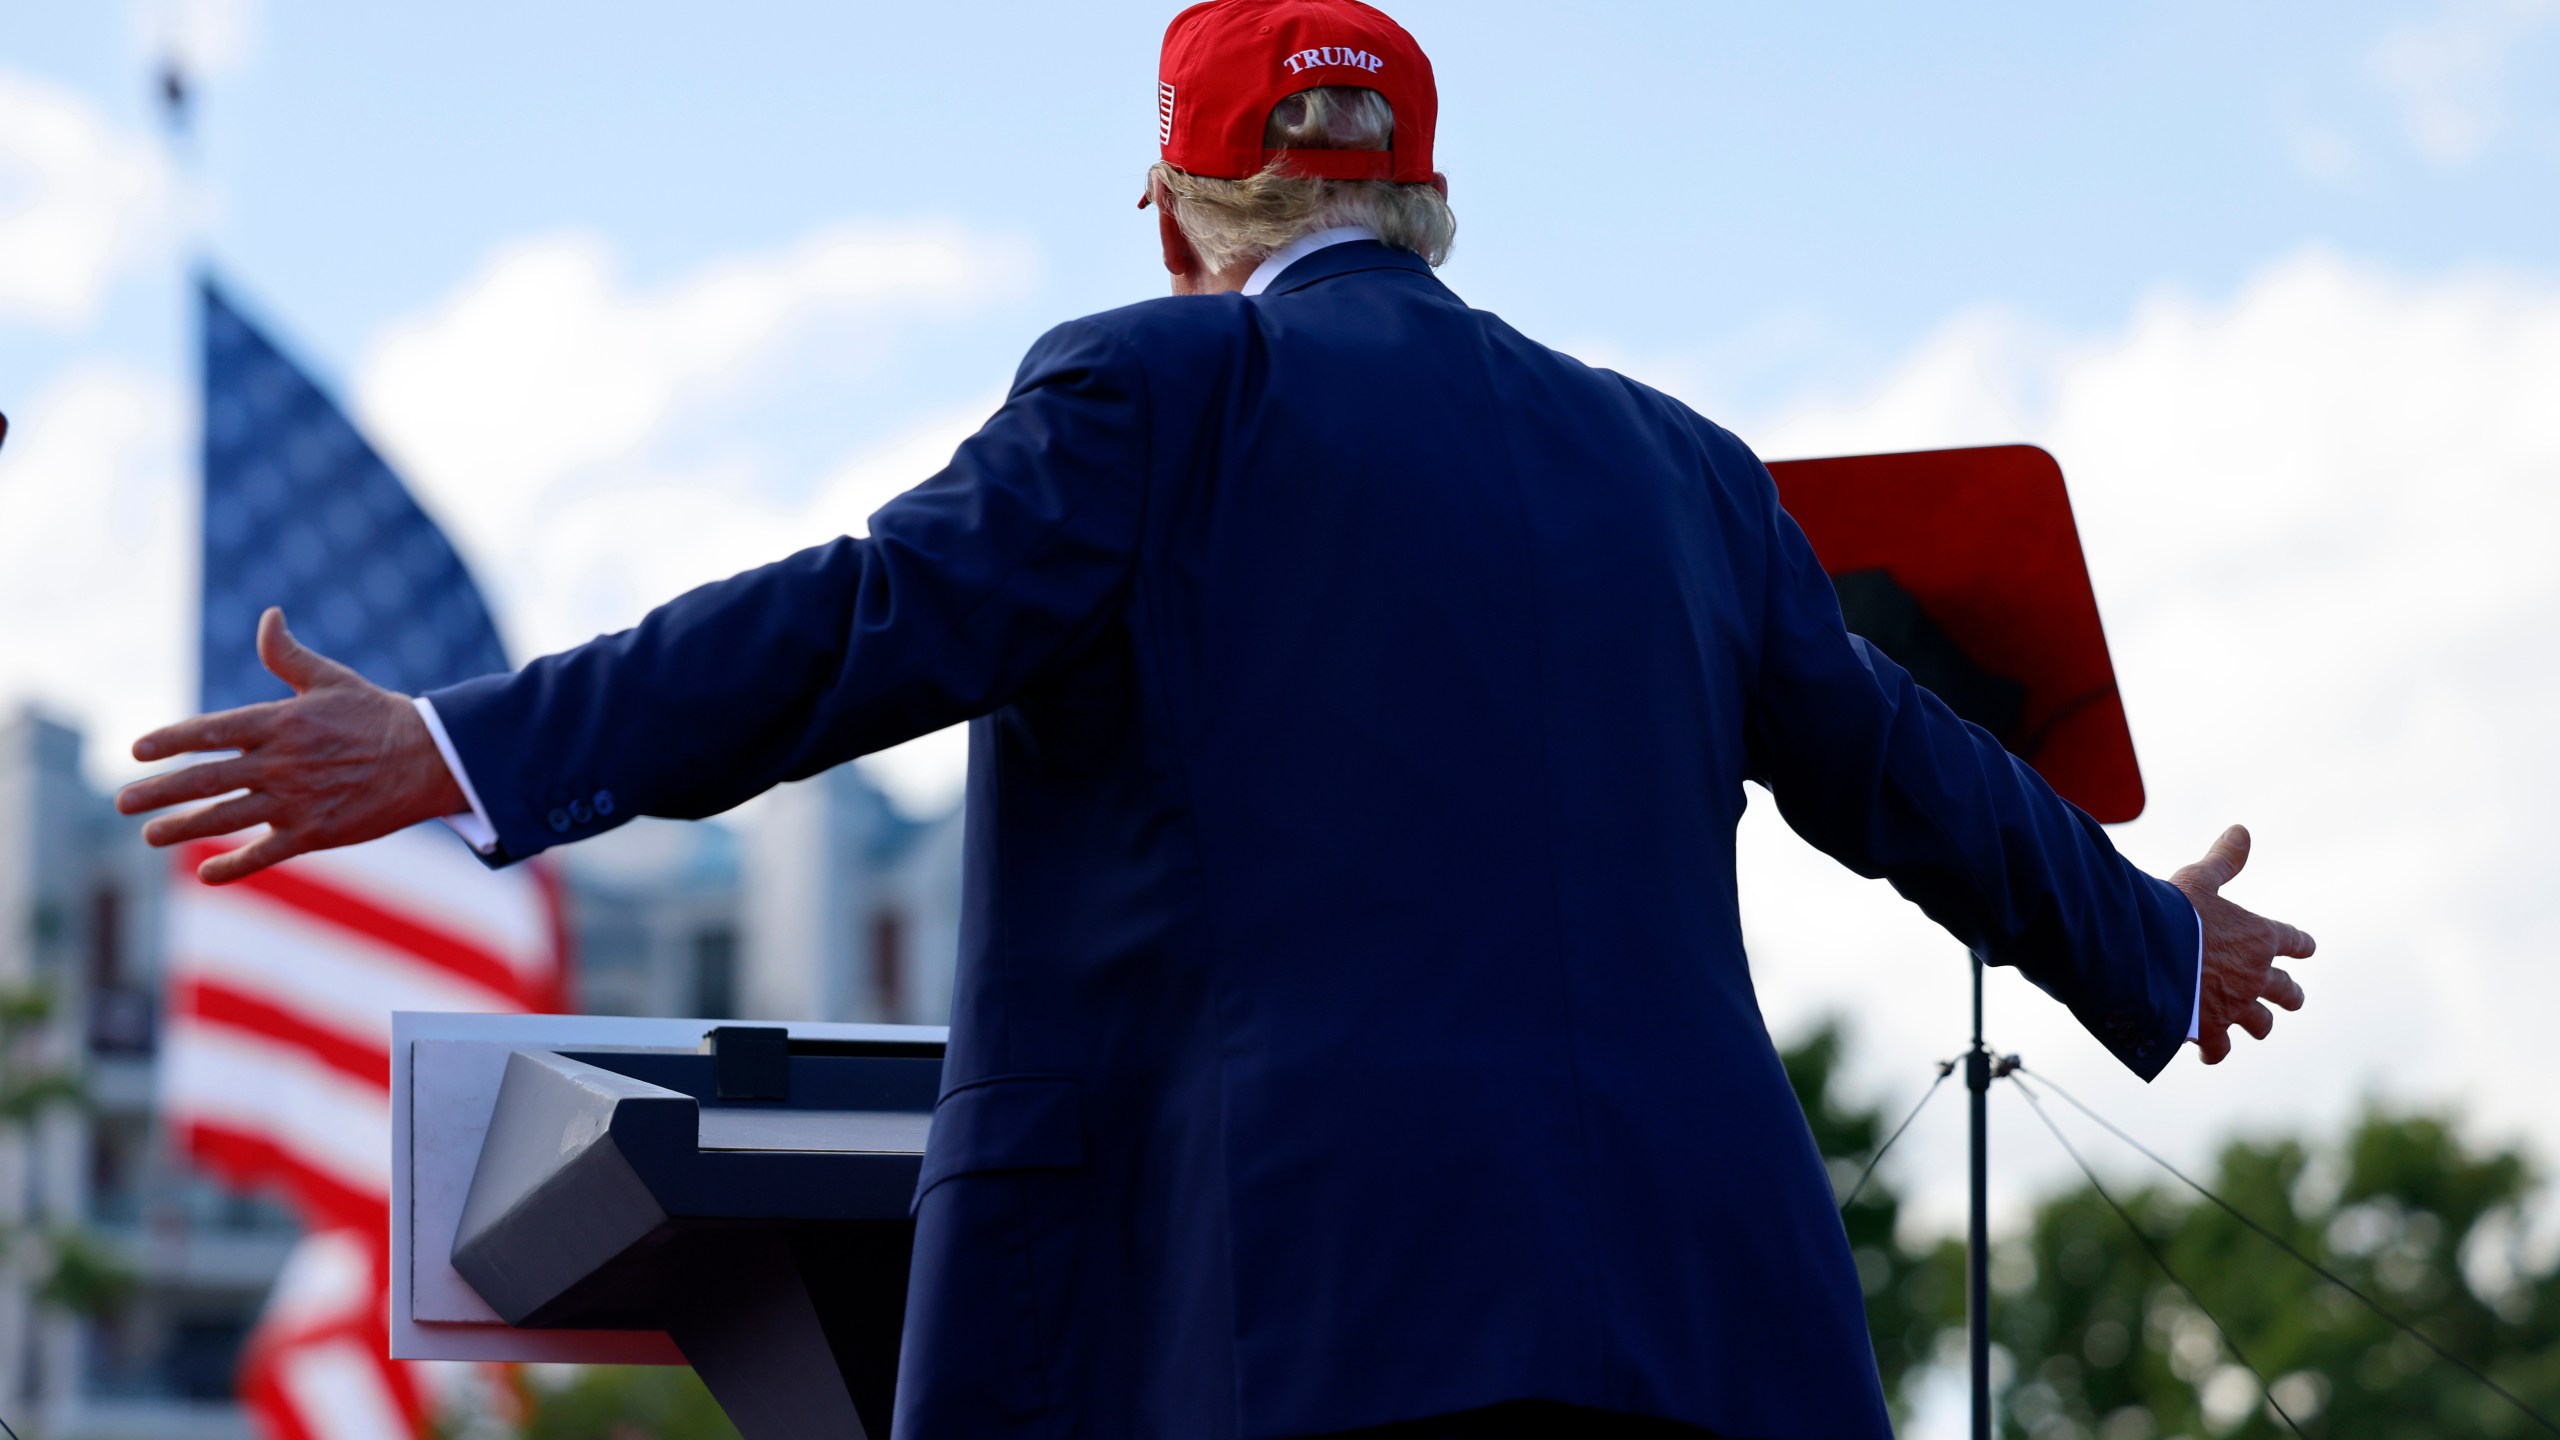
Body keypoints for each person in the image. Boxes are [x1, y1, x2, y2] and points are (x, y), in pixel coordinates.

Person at [116, 2, 2316, 1435]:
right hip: (1699, 1330)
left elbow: (863, 623)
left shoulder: (1159, 386)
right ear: (1425, 206)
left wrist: (460, 747)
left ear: (1176, 212)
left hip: (1287, 1321)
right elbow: (1902, 775)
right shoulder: (1673, 464)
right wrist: (2144, 936)